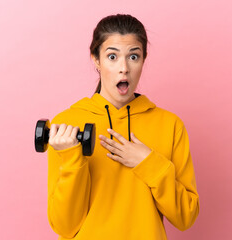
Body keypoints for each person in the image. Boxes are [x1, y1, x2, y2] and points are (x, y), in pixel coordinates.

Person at [47, 14, 200, 240]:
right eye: (112, 57)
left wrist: (148, 163)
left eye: (134, 57)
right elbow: (64, 226)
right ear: (96, 60)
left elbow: (186, 216)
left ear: (143, 60)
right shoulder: (66, 127)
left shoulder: (170, 125)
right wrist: (71, 159)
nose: (124, 68)